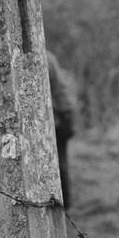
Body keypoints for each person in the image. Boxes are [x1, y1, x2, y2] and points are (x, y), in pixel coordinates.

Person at [45, 49, 76, 210]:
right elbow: (61, 91)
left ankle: (61, 202)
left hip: (52, 120)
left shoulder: (45, 58)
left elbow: (60, 92)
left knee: (56, 163)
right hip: (55, 119)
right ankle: (62, 202)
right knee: (59, 162)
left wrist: (65, 116)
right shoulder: (49, 58)